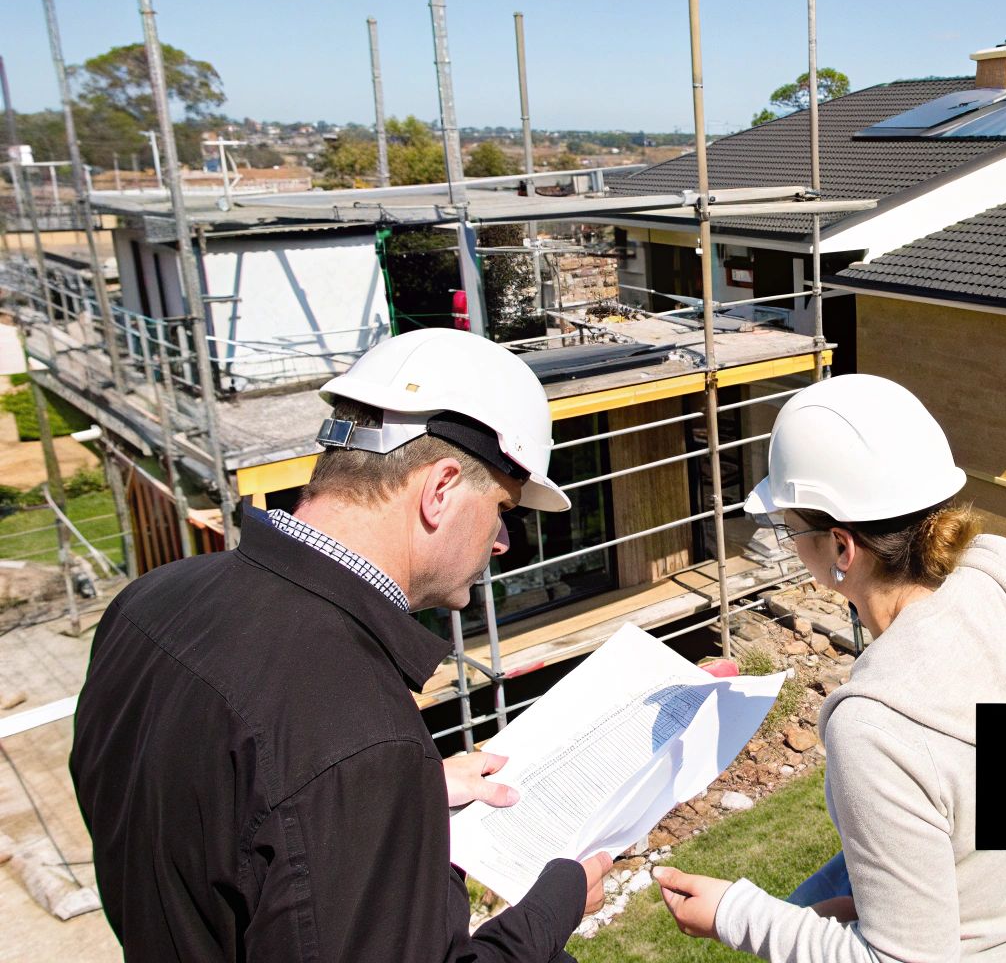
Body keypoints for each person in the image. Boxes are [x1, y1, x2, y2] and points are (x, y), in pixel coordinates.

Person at [71, 328, 611, 962]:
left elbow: (221, 821)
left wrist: (392, 803)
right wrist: (544, 921)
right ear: (439, 490)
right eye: (504, 509)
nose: (500, 544)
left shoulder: (151, 601)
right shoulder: (357, 739)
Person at [653, 374, 1006, 962]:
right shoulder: (1002, 569)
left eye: (790, 528)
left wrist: (735, 913)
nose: (788, 541)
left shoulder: (872, 728)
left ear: (842, 548)